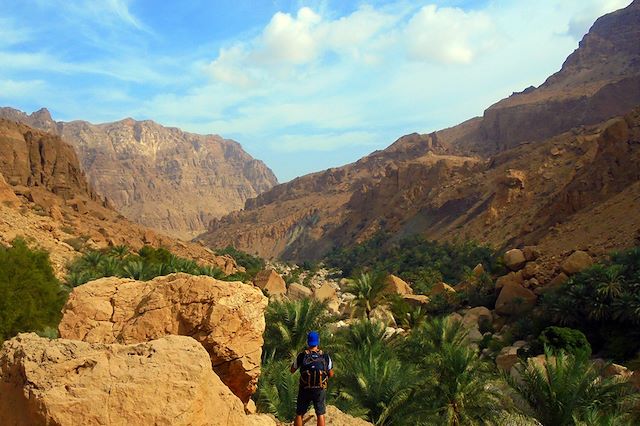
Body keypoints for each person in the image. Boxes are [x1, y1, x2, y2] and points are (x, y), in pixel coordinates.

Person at [290, 330, 334, 426]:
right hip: (319, 389)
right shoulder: (325, 357)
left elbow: (292, 370)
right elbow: (331, 374)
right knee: (320, 413)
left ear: (308, 342)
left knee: (299, 413)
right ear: (318, 341)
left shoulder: (302, 356)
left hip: (305, 388)